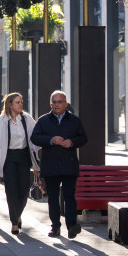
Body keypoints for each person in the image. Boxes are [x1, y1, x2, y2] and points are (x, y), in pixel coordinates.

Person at [31, 91, 87, 239]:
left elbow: (83, 138)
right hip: (51, 165)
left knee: (69, 196)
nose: (57, 105)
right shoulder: (43, 121)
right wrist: (51, 140)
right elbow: (35, 137)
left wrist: (72, 142)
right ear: (50, 104)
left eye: (60, 102)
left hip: (69, 165)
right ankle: (55, 226)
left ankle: (71, 226)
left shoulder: (74, 121)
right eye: (54, 102)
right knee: (53, 198)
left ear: (66, 103)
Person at [0, 93, 40, 235]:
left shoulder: (26, 119)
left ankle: (18, 214)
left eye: (21, 101)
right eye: (17, 102)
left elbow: (34, 137)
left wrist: (36, 160)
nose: (21, 104)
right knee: (11, 190)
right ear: (10, 105)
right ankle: (14, 222)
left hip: (24, 157)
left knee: (24, 190)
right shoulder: (0, 121)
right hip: (9, 158)